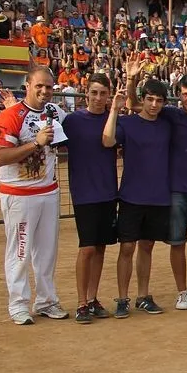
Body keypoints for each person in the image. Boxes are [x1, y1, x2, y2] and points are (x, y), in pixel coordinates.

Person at [126, 55, 187, 310]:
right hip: (175, 190)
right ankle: (181, 292)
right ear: (179, 95)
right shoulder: (168, 114)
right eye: (186, 94)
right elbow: (134, 104)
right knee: (177, 242)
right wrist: (131, 79)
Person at [0, 67, 69, 325]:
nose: (45, 91)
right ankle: (18, 305)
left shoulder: (55, 112)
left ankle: (46, 301)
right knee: (20, 251)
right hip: (19, 195)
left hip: (48, 192)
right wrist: (36, 143)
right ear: (27, 85)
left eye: (49, 87)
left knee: (46, 252)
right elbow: (0, 157)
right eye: (40, 86)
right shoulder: (11, 116)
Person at [102, 78, 172, 318]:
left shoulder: (166, 124)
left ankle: (143, 296)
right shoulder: (127, 123)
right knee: (127, 247)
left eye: (159, 101)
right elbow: (108, 140)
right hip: (132, 195)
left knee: (147, 246)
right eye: (150, 99)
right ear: (142, 99)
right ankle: (122, 298)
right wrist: (114, 109)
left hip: (158, 197)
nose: (154, 105)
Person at [61, 74, 118, 323]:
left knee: (101, 247)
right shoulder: (72, 121)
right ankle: (81, 302)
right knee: (87, 248)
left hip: (108, 192)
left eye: (102, 93)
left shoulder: (112, 120)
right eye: (94, 93)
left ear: (108, 95)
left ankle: (93, 299)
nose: (98, 98)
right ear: (86, 94)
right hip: (84, 193)